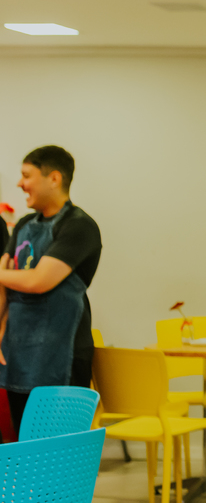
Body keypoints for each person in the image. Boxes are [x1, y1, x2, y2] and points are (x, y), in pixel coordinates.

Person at [0, 146, 102, 434]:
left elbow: (38, 281)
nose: (20, 184)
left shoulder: (79, 227)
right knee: (25, 445)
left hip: (63, 355)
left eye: (26, 176)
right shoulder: (22, 225)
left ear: (54, 178)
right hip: (19, 353)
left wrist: (5, 274)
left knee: (61, 450)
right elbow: (3, 283)